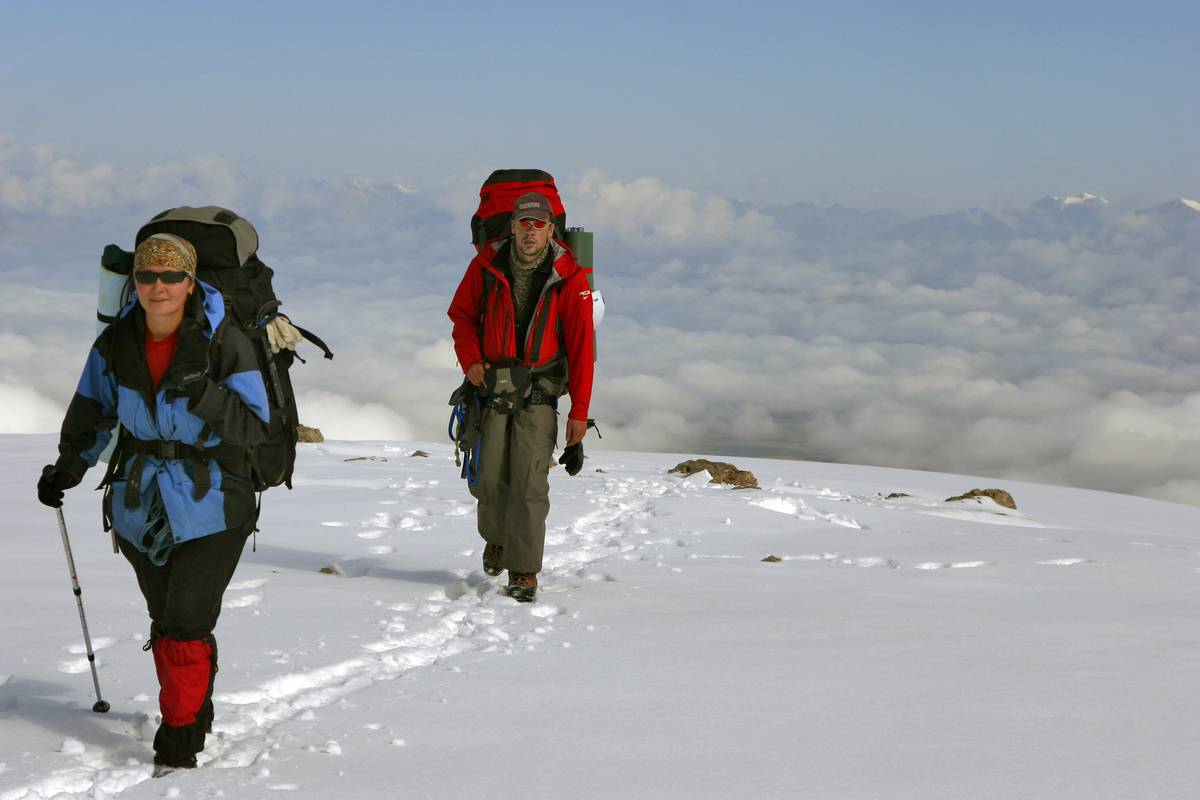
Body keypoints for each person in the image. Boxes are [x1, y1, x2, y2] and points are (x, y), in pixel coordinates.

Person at [37, 232, 270, 773]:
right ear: (135, 282)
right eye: (147, 276)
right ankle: (196, 707)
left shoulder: (225, 342)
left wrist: (203, 391)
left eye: (171, 277)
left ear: (191, 284)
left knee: (186, 622)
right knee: (166, 619)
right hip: (141, 504)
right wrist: (69, 467)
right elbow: (91, 411)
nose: (158, 287)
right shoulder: (116, 344)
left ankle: (179, 741)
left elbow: (254, 427)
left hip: (214, 499)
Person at [448, 192, 596, 602]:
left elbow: (583, 349)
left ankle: (524, 570)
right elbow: (461, 316)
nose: (530, 232)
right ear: (512, 226)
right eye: (523, 223)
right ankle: (496, 539)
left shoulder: (569, 276)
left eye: (539, 224)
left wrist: (579, 412)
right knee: (491, 478)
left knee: (529, 484)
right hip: (491, 388)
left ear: (551, 229)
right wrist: (471, 361)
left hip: (539, 393)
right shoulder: (484, 267)